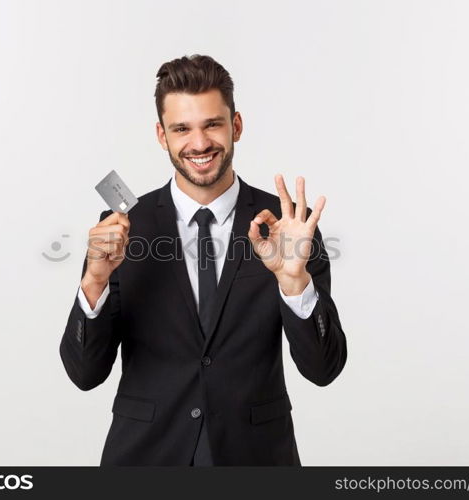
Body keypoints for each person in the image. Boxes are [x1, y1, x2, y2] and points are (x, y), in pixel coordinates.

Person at [59, 54, 347, 466]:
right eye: (182, 128)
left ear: (236, 126)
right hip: (145, 458)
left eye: (212, 124)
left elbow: (324, 369)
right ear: (162, 135)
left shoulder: (288, 228)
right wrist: (94, 282)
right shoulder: (121, 228)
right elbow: (85, 375)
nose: (199, 143)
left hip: (256, 458)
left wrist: (294, 283)